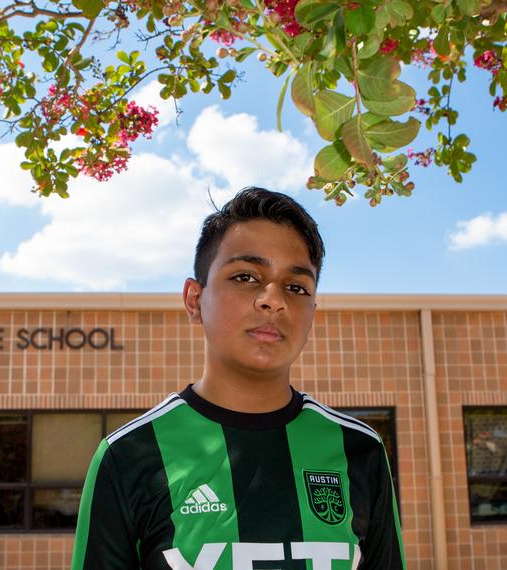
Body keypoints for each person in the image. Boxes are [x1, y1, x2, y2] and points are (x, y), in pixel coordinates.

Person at [71, 187, 405, 569]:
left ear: (312, 311)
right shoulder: (130, 455)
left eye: (296, 287)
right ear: (194, 301)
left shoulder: (359, 450)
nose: (272, 299)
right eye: (246, 276)